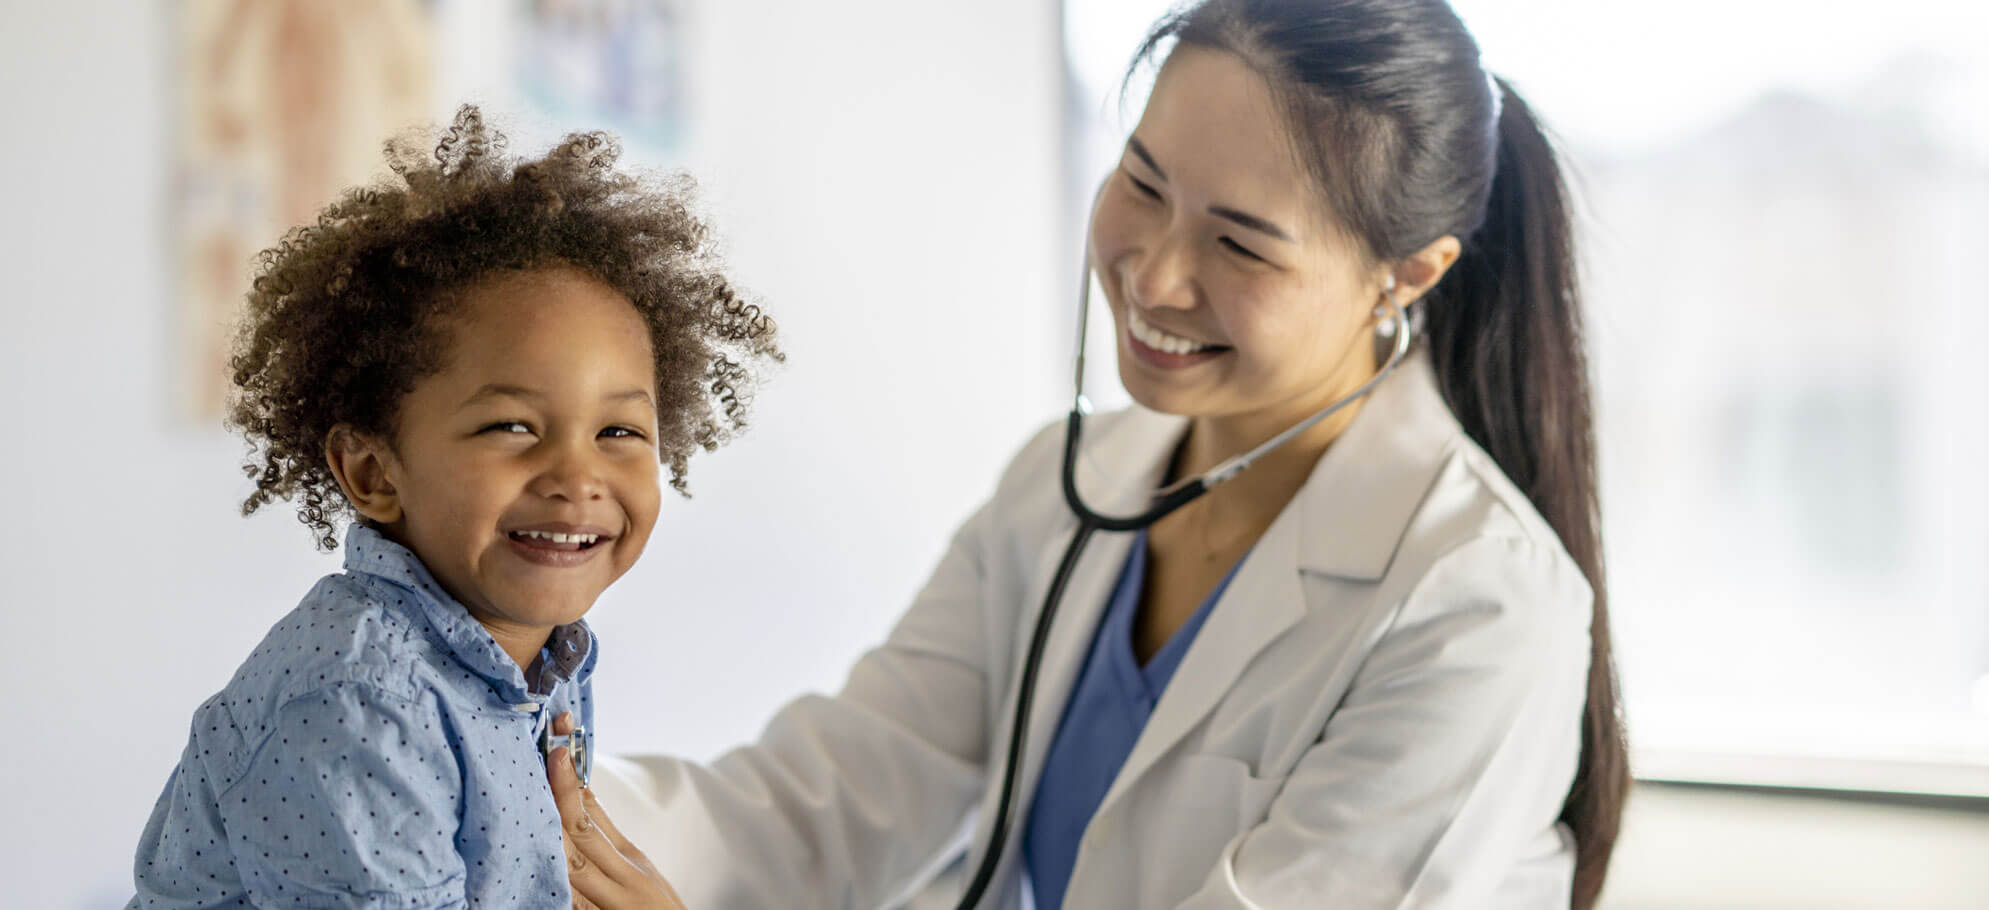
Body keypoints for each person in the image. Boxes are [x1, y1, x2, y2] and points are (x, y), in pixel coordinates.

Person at [555, 0, 1627, 906]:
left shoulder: (1478, 605)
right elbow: (832, 791)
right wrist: (518, 801)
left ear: (1409, 274)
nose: (1155, 276)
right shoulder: (1064, 487)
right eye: (1144, 184)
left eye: (1239, 242)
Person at [125, 106, 778, 908]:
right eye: (512, 426)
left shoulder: (542, 655)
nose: (577, 476)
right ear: (372, 472)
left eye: (617, 429)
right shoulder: (359, 701)